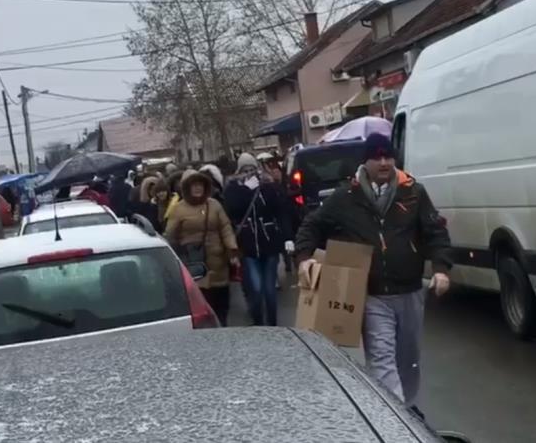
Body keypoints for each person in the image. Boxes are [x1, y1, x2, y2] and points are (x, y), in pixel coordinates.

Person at [295, 133, 452, 417]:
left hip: (410, 291)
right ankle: (397, 420)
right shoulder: (346, 197)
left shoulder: (413, 192)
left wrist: (441, 269)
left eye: (388, 156)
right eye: (377, 157)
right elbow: (312, 225)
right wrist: (304, 257)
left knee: (408, 360)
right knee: (382, 359)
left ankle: (407, 408)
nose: (383, 163)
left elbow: (435, 232)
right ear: (365, 162)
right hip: (372, 295)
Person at [224, 153, 294, 326]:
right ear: (239, 170)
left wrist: (287, 237)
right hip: (248, 246)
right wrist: (246, 191)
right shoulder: (233, 189)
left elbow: (280, 212)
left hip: (269, 242)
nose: (249, 173)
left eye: (252, 169)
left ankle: (272, 325)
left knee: (270, 289)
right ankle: (258, 322)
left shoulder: (267, 186)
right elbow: (233, 210)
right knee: (256, 288)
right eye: (245, 169)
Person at [164, 170, 239, 326]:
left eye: (200, 184)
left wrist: (232, 250)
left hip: (218, 262)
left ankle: (223, 329)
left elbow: (225, 228)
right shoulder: (178, 209)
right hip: (194, 263)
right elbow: (170, 235)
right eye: (194, 185)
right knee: (201, 302)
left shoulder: (214, 205)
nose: (198, 188)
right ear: (186, 188)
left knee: (222, 301)